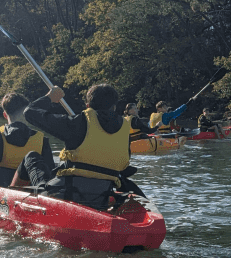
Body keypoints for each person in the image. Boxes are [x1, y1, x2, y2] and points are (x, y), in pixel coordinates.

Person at [17, 83, 153, 209]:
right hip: (103, 195)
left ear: (88, 106)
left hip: (67, 194)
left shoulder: (76, 123)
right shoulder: (124, 129)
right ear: (114, 107)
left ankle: (11, 198)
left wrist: (50, 98)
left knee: (32, 157)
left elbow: (29, 112)